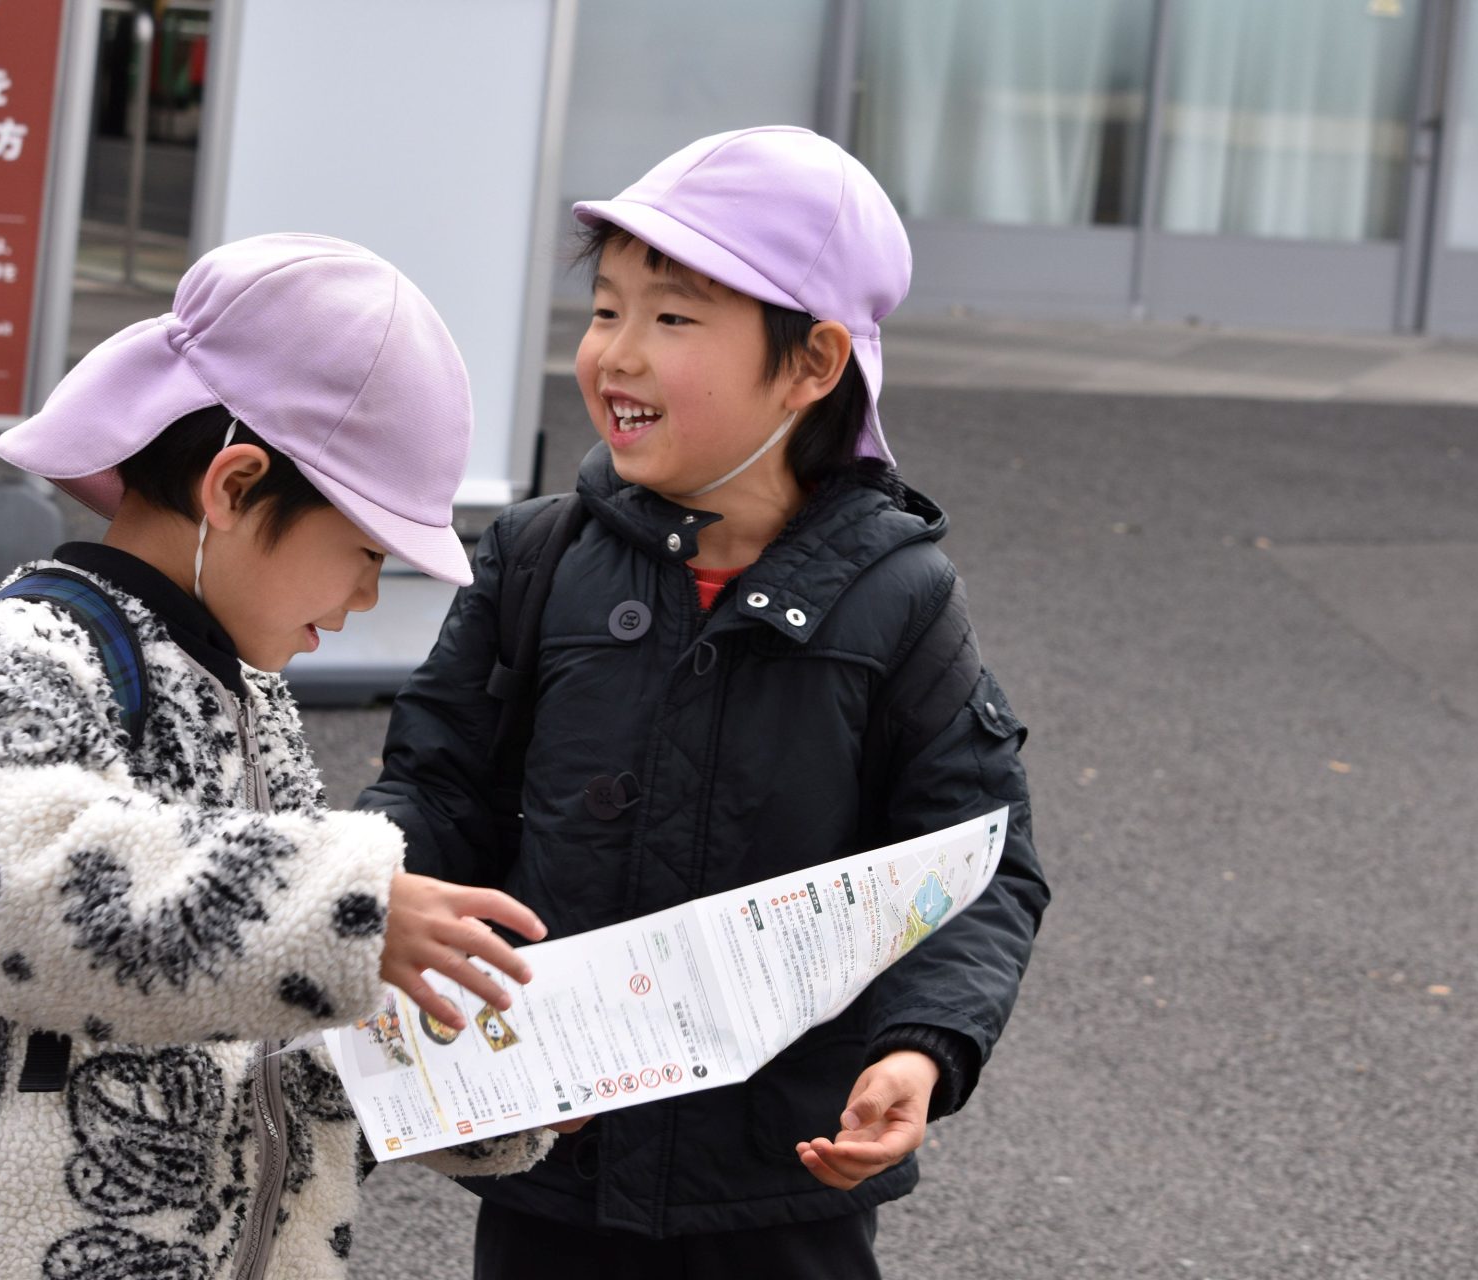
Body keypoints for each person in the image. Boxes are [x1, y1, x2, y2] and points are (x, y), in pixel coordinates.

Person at [359, 127, 1050, 1279]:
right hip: (554, 1152)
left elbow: (978, 861)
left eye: (672, 318)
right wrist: (366, 902)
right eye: (605, 310)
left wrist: (922, 1048)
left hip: (778, 1180)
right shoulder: (537, 560)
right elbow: (436, 788)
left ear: (813, 363)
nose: (615, 354)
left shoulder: (899, 600)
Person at [0, 233, 564, 1280]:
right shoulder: (26, 648)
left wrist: (488, 1084)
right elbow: (11, 897)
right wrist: (352, 909)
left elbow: (264, 1014)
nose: (366, 595)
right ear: (235, 486)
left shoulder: (247, 694)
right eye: (366, 550)